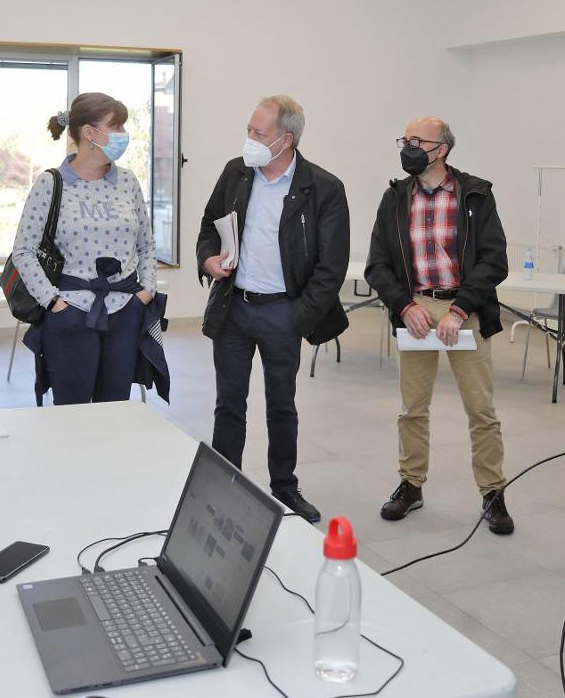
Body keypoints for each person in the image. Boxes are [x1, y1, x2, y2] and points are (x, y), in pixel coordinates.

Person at [197, 95, 349, 523]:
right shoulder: (236, 173)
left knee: (282, 405)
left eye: (258, 132)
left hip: (283, 312)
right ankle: (224, 484)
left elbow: (331, 267)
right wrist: (208, 260)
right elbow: (209, 225)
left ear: (286, 140)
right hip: (234, 308)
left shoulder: (323, 188)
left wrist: (298, 317)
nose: (249, 138)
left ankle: (284, 488)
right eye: (249, 129)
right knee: (229, 403)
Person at [364, 117, 514, 533]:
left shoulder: (476, 194)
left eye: (418, 141)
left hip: (464, 308)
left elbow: (494, 260)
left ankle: (493, 492)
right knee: (412, 408)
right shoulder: (395, 197)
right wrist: (403, 306)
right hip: (415, 308)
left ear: (442, 149)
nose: (408, 147)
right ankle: (411, 485)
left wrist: (460, 308)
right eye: (405, 140)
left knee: (481, 410)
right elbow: (378, 264)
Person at [14, 92, 158, 405]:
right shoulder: (51, 184)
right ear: (89, 133)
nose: (123, 134)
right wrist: (53, 302)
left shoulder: (128, 182)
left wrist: (145, 292)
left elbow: (147, 245)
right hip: (71, 313)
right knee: (72, 413)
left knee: (114, 409)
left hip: (124, 310)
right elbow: (24, 251)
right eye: (116, 127)